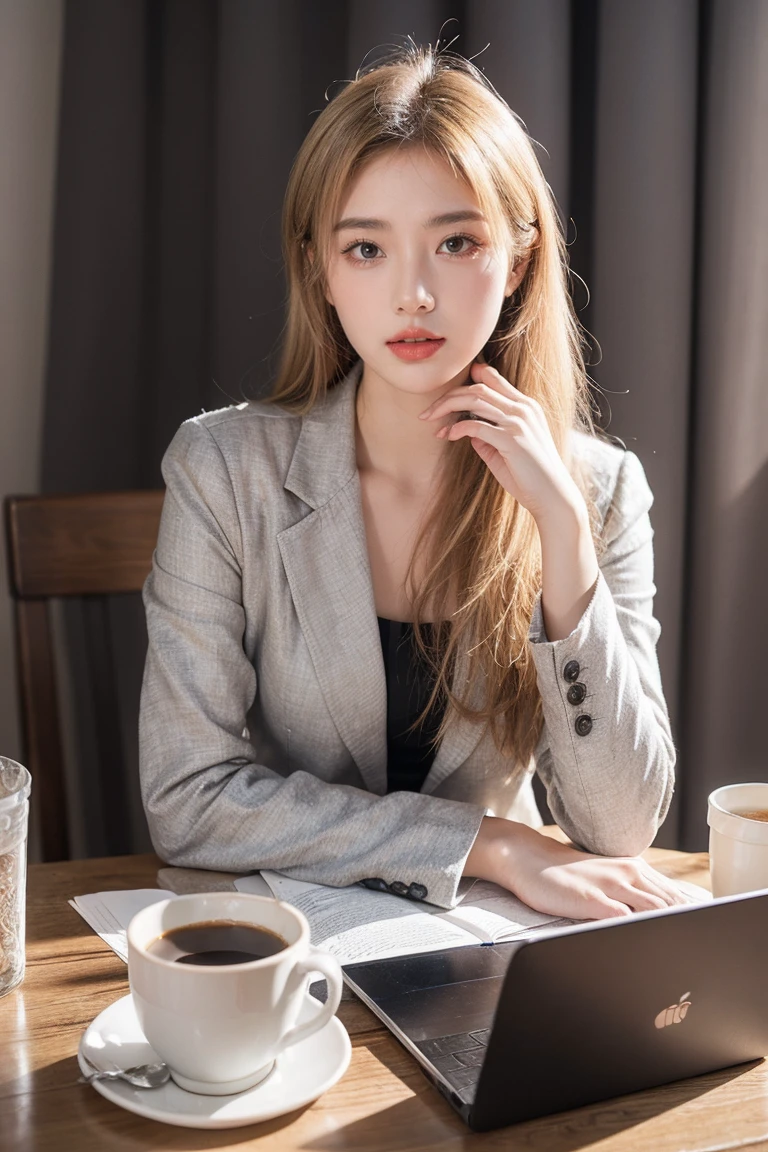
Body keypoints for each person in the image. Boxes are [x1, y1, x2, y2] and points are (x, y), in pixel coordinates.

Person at [139, 42, 684, 922]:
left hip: (498, 947)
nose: (414, 294)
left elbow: (620, 826)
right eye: (366, 249)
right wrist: (486, 843)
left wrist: (562, 534)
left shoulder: (602, 489)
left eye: (456, 242)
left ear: (516, 262)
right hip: (278, 945)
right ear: (318, 266)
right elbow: (188, 798)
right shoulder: (222, 470)